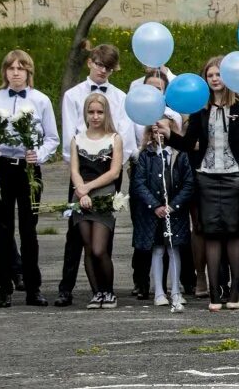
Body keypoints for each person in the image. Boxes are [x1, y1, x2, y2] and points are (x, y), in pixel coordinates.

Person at [171, 56, 239, 311]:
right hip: (206, 175)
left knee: (233, 232)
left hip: (235, 174)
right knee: (211, 233)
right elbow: (189, 144)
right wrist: (168, 137)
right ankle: (213, 294)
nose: (215, 79)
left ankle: (234, 294)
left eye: (219, 74)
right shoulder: (200, 107)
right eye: (210, 75)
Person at [0, 49, 59, 308]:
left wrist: (40, 154)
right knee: (3, 231)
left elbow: (52, 138)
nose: (16, 73)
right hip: (1, 168)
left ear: (28, 72)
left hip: (27, 170)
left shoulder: (41, 100)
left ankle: (33, 288)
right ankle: (4, 288)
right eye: (11, 68)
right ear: (5, 72)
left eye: (21, 68)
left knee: (29, 229)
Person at [57, 44, 133, 307]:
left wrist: (118, 162)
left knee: (103, 234)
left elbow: (125, 132)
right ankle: (67, 288)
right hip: (81, 169)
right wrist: (81, 185)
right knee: (76, 234)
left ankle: (105, 287)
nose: (103, 70)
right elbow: (70, 135)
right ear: (90, 62)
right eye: (99, 64)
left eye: (108, 67)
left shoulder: (121, 97)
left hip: (109, 167)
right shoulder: (73, 95)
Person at [131, 117, 195, 312]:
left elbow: (189, 183)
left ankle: (176, 290)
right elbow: (139, 183)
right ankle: (159, 290)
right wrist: (155, 205)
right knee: (157, 249)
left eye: (163, 129)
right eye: (154, 130)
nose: (158, 133)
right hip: (153, 214)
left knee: (174, 249)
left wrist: (173, 206)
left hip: (175, 213)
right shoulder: (145, 156)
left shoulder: (180, 154)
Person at [68, 93, 125, 309]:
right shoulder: (77, 139)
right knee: (89, 248)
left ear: (106, 113)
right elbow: (74, 169)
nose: (95, 116)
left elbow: (114, 172)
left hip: (103, 196)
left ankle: (109, 292)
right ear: (85, 114)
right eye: (91, 112)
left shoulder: (114, 139)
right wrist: (80, 193)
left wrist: (89, 188)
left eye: (99, 112)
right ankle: (97, 293)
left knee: (100, 249)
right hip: (81, 198)